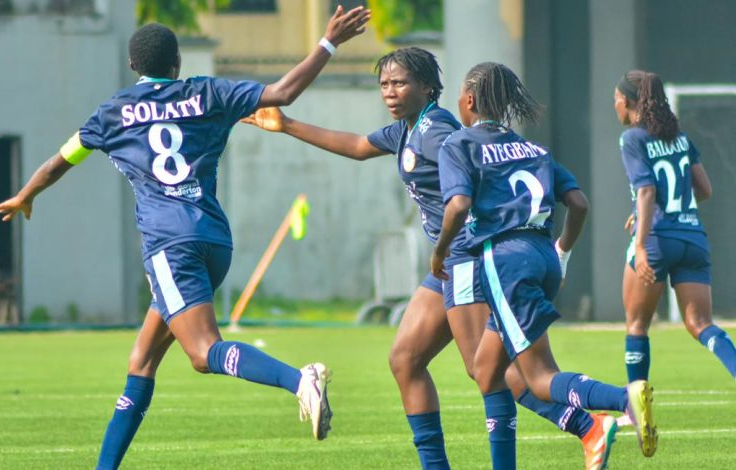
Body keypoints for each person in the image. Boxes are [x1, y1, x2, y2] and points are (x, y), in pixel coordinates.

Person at [0, 8, 371, 469]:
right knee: (142, 361)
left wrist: (25, 195)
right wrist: (328, 42)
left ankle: (300, 380)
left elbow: (61, 160)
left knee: (202, 352)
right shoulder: (208, 92)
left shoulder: (112, 113)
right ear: (177, 64)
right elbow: (283, 93)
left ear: (134, 67)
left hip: (170, 246)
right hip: (214, 241)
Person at [243, 48, 611, 470]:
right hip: (446, 267)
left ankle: (585, 425)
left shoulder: (440, 132)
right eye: (384, 84)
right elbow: (359, 145)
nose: (390, 91)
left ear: (427, 88)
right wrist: (287, 125)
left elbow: (473, 181)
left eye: (399, 83)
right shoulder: (407, 129)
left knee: (485, 372)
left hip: (467, 260)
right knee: (406, 359)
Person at [432, 62, 657, 470]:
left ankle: (621, 400)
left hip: (504, 259)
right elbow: (579, 203)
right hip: (542, 254)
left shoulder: (459, 144)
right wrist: (563, 252)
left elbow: (459, 204)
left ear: (467, 100)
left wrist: (439, 251)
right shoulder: (534, 149)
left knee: (538, 377)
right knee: (487, 371)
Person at [614, 70, 736, 386]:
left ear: (625, 101)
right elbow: (704, 189)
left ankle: (637, 410)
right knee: (700, 323)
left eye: (615, 99)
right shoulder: (679, 137)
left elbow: (646, 191)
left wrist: (640, 244)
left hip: (656, 239)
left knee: (637, 325)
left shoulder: (632, 138)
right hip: (692, 238)